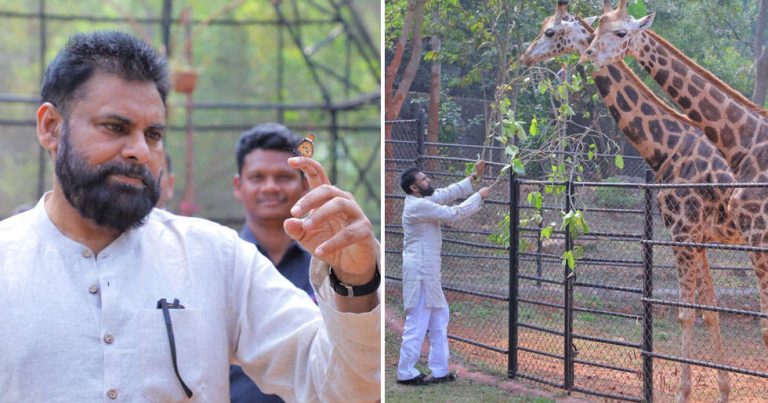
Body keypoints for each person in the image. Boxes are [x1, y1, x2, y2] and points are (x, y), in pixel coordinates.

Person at [0, 30, 380, 402]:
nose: (140, 152)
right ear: (51, 127)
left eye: (153, 135)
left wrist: (357, 281)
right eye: (115, 127)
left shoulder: (215, 257)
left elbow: (336, 387)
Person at [229, 123, 316, 402]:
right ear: (238, 186)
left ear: (304, 185)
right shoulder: (219, 265)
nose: (270, 187)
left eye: (283, 176)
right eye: (257, 177)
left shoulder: (328, 267)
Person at [396, 162, 490, 386]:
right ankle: (405, 371)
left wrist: (474, 178)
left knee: (439, 318)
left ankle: (439, 371)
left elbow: (448, 193)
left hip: (429, 272)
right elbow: (454, 213)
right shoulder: (417, 207)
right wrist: (479, 196)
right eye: (424, 179)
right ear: (414, 188)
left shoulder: (423, 200)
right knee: (418, 322)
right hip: (420, 273)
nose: (428, 180)